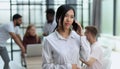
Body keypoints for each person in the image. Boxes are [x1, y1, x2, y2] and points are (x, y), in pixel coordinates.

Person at [42, 4, 90, 69]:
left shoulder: (77, 37)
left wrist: (82, 36)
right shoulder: (49, 40)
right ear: (58, 17)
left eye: (71, 17)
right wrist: (68, 67)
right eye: (65, 16)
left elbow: (86, 58)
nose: (68, 20)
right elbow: (45, 66)